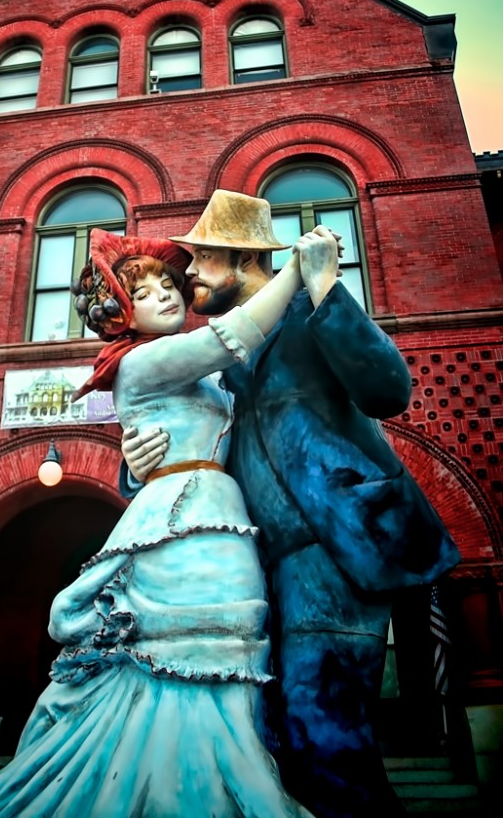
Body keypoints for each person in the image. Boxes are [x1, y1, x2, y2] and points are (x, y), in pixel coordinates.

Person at [0, 228, 316, 818]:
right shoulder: (143, 362)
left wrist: (137, 467)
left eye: (168, 283)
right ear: (119, 316)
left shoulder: (189, 376)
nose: (164, 294)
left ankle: (201, 781)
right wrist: (299, 270)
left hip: (213, 511)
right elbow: (231, 337)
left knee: (226, 646)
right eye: (144, 291)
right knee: (194, 645)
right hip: (183, 522)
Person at [122, 189, 461, 818]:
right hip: (264, 568)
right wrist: (137, 468)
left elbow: (389, 389)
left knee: (320, 725)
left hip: (335, 548)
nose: (188, 273)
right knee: (274, 734)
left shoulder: (312, 310)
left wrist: (330, 290)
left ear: (244, 257)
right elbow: (197, 454)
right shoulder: (227, 367)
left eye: (202, 258)